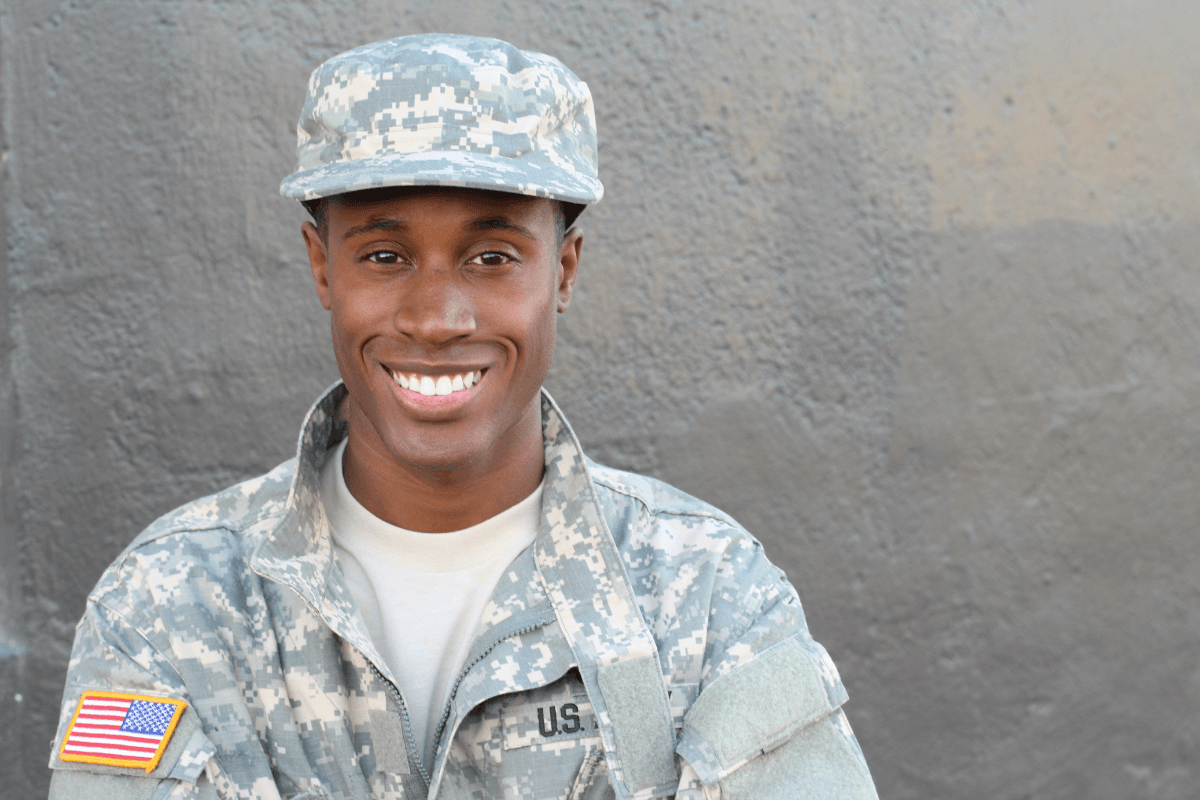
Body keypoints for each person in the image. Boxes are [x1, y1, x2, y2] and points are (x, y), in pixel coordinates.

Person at [47, 34, 878, 800]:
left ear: (564, 269)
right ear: (321, 267)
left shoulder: (705, 595)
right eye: (384, 256)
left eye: (492, 258)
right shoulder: (170, 605)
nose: (437, 317)